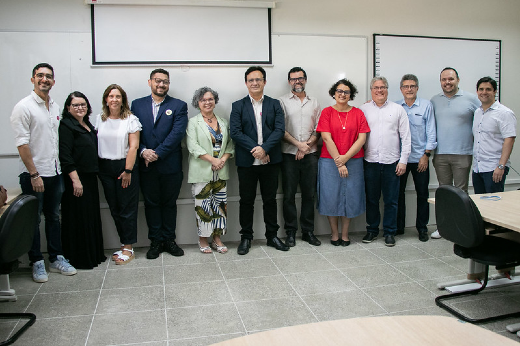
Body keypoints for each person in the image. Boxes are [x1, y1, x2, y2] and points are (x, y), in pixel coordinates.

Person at [10, 63, 76, 283]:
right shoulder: (24, 107)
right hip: (34, 175)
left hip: (54, 172)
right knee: (32, 220)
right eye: (40, 76)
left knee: (54, 216)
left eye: (48, 76)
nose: (44, 79)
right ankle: (36, 261)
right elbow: (22, 144)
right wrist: (34, 174)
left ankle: (56, 258)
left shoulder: (55, 107)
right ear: (33, 79)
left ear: (53, 82)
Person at [230, 66, 288, 255]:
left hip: (270, 161)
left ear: (264, 82)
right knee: (246, 201)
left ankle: (272, 236)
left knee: (270, 200)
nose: (255, 83)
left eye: (258, 79)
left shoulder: (274, 104)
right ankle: (246, 237)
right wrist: (257, 149)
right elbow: (236, 132)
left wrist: (265, 149)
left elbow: (279, 130)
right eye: (251, 80)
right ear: (246, 83)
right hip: (247, 162)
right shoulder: (238, 105)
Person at [131, 69, 187, 259]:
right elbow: (133, 132)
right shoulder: (137, 105)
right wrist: (143, 151)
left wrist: (158, 153)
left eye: (165, 82)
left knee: (169, 204)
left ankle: (169, 240)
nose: (161, 85)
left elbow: (177, 133)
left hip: (170, 165)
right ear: (150, 82)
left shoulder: (179, 105)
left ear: (168, 84)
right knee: (151, 204)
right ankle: (155, 241)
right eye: (158, 81)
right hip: (146, 165)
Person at [316, 79, 370, 246]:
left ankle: (345, 234)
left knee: (350, 197)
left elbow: (362, 139)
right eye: (339, 90)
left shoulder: (358, 113)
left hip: (353, 161)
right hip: (329, 162)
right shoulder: (326, 112)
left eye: (346, 92)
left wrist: (345, 159)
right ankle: (334, 234)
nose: (342, 94)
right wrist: (339, 162)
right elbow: (326, 137)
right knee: (331, 197)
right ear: (334, 93)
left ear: (350, 95)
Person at [92, 84, 141, 265]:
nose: (114, 99)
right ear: (106, 99)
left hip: (125, 168)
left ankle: (128, 247)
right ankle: (123, 244)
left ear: (123, 100)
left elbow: (134, 146)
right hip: (105, 169)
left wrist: (128, 170)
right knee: (114, 208)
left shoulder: (131, 119)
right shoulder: (100, 119)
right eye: (111, 96)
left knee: (127, 209)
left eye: (118, 96)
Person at [360, 76, 411, 247]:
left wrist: (403, 161)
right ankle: (372, 230)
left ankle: (390, 232)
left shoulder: (398, 110)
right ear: (371, 90)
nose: (379, 90)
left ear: (387, 89)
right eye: (376, 87)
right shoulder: (363, 109)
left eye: (382, 87)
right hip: (370, 162)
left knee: (391, 200)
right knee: (372, 199)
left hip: (392, 163)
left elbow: (406, 137)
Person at [430, 67, 480, 239]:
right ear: (440, 81)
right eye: (444, 79)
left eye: (450, 79)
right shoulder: (434, 100)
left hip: (463, 153)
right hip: (440, 154)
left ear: (458, 80)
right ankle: (444, 228)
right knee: (444, 192)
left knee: (461, 193)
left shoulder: (472, 99)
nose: (447, 82)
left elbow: (483, 121)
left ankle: (462, 228)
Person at [59, 92, 106, 269]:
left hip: (90, 177)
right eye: (76, 105)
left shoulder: (87, 124)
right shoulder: (66, 125)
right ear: (68, 108)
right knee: (78, 219)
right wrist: (75, 180)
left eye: (83, 104)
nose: (80, 108)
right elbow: (65, 155)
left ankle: (93, 255)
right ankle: (79, 258)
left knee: (90, 217)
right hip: (76, 179)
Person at [186, 87, 234, 254]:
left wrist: (222, 160)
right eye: (203, 100)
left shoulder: (223, 122)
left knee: (220, 206)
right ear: (198, 103)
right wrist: (213, 160)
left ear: (215, 101)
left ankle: (217, 238)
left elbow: (230, 144)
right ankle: (203, 239)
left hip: (220, 170)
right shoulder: (193, 122)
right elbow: (192, 146)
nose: (207, 102)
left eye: (210, 99)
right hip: (201, 171)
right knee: (203, 206)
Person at [278, 67, 322, 247]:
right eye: (294, 79)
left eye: (301, 78)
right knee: (288, 195)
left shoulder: (315, 102)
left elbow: (318, 128)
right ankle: (290, 232)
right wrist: (298, 145)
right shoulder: (281, 102)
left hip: (310, 155)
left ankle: (308, 232)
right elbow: (280, 129)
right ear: (289, 82)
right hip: (289, 155)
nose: (298, 81)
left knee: (309, 195)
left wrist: (306, 146)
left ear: (305, 80)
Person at [396, 74, 437, 242]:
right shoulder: (397, 107)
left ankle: (422, 228)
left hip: (420, 158)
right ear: (401, 89)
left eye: (412, 86)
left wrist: (426, 155)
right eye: (406, 86)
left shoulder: (427, 105)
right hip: (401, 159)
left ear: (417, 88)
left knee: (422, 194)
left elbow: (431, 131)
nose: (409, 89)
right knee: (398, 194)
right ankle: (399, 227)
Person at [472, 76, 516, 194]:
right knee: (480, 206)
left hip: (494, 168)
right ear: (477, 92)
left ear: (495, 91)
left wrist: (501, 166)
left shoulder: (504, 113)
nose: (484, 92)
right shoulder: (477, 112)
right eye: (481, 89)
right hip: (478, 168)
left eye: (488, 89)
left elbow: (509, 140)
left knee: (494, 207)